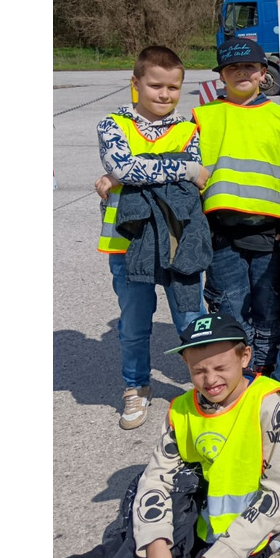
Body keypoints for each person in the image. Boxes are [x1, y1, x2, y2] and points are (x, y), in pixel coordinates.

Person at [53, 312, 280, 558]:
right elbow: (155, 477)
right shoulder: (183, 408)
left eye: (221, 367)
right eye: (199, 371)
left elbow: (275, 496)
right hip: (198, 512)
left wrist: (221, 557)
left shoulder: (270, 405)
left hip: (255, 529)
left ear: (245, 357)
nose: (210, 379)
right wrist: (155, 540)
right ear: (186, 364)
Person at [94, 45, 210, 430]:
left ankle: (206, 386)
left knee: (191, 318)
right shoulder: (113, 124)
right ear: (136, 83)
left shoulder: (188, 130)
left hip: (179, 240)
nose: (164, 94)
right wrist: (184, 169)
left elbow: (132, 172)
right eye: (155, 85)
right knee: (134, 324)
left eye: (173, 87)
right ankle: (136, 385)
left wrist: (125, 176)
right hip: (127, 244)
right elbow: (124, 167)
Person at [195, 38, 280, 375]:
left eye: (249, 67)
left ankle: (261, 371)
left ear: (263, 73)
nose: (242, 73)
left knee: (268, 307)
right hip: (221, 235)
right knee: (229, 308)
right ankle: (236, 373)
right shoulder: (203, 117)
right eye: (233, 68)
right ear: (221, 75)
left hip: (270, 235)